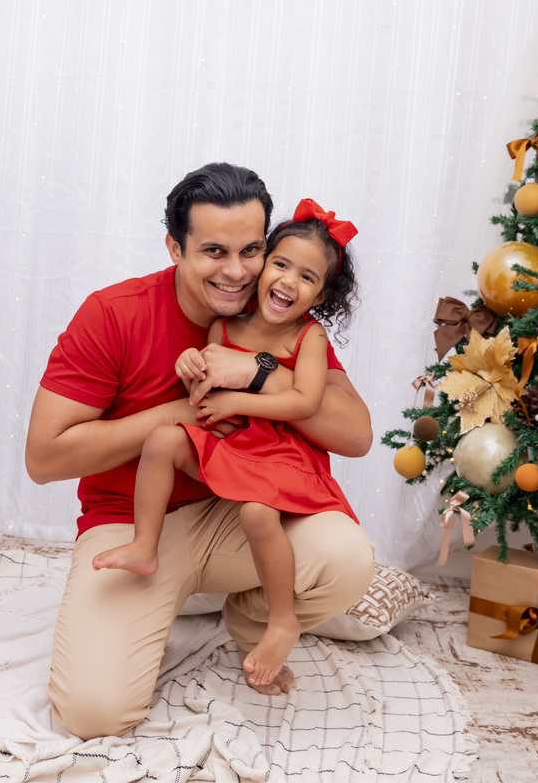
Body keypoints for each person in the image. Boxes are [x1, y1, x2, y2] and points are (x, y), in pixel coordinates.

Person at [25, 162, 375, 740]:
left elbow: (356, 435)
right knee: (93, 713)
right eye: (214, 251)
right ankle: (159, 595)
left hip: (243, 514)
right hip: (135, 519)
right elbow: (44, 458)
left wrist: (258, 372)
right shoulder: (114, 313)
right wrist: (178, 414)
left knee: (347, 557)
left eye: (251, 250)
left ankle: (252, 619)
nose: (236, 272)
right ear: (175, 247)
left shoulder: (283, 322)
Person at [91, 198, 361, 690]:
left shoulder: (310, 338)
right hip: (232, 443)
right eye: (281, 265)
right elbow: (204, 383)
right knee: (162, 440)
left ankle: (279, 619)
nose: (288, 281)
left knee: (257, 515)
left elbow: (304, 402)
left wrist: (243, 392)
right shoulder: (224, 325)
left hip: (274, 450)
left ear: (321, 295)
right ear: (264, 266)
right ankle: (145, 546)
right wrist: (190, 366)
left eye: (307, 277)